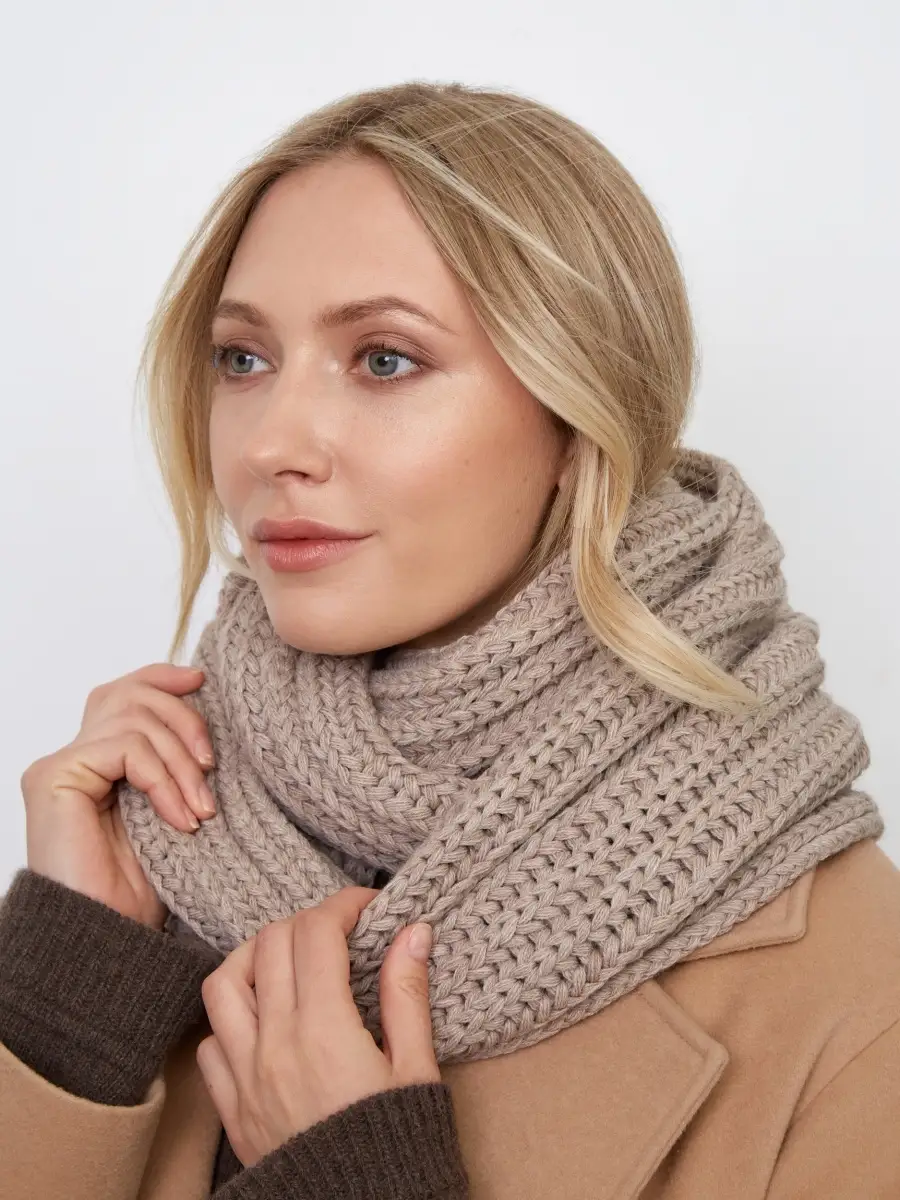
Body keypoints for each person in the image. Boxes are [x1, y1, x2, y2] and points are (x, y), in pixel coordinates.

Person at [1, 79, 898, 1200]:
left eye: (384, 359)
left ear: (579, 412)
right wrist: (73, 984)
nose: (272, 442)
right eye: (243, 358)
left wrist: (355, 1179)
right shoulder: (173, 836)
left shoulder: (855, 999)